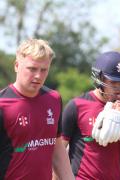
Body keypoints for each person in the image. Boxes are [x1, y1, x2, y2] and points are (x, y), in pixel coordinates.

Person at [61, 51, 120, 179]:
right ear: (98, 78)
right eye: (113, 82)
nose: (119, 88)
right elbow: (58, 152)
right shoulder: (76, 106)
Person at [0, 38, 74, 180]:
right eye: (32, 69)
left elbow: (57, 146)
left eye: (44, 70)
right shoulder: (2, 105)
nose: (38, 76)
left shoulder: (54, 99)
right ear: (16, 66)